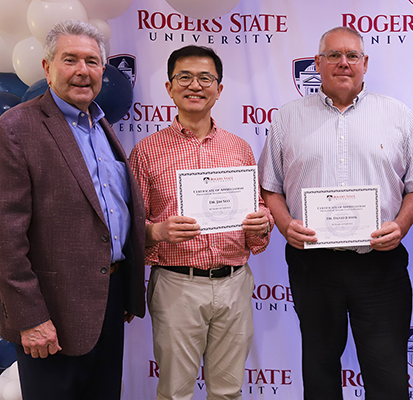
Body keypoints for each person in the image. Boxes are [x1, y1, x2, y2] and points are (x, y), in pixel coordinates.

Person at [257, 26, 413, 400]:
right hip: (313, 267)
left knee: (387, 378)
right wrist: (285, 223)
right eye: (333, 56)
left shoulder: (396, 114)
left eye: (352, 56)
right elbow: (270, 186)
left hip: (380, 265)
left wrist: (401, 225)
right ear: (317, 63)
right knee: (320, 373)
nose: (343, 63)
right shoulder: (287, 118)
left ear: (365, 64)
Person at [0, 20, 146, 400]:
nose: (82, 71)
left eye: (92, 61)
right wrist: (30, 318)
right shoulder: (13, 130)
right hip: (50, 310)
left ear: (103, 69)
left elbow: (109, 215)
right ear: (47, 67)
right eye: (70, 60)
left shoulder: (101, 126)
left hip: (107, 298)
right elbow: (2, 239)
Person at [128, 45, 272, 400]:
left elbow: (257, 218)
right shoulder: (146, 151)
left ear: (219, 89)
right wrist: (155, 231)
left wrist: (262, 222)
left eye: (205, 78)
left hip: (234, 283)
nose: (195, 85)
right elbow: (129, 230)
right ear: (170, 87)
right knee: (175, 392)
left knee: (228, 391)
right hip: (177, 285)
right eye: (185, 77)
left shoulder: (239, 148)